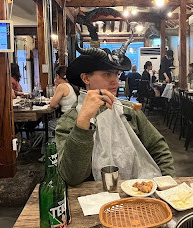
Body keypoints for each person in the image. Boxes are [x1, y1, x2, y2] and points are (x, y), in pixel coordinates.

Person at [55, 38, 175, 186]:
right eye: (107, 74)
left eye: (116, 74)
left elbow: (158, 147)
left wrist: (167, 183)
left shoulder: (130, 110)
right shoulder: (70, 120)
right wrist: (84, 120)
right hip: (93, 196)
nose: (115, 81)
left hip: (139, 191)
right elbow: (71, 177)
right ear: (86, 78)